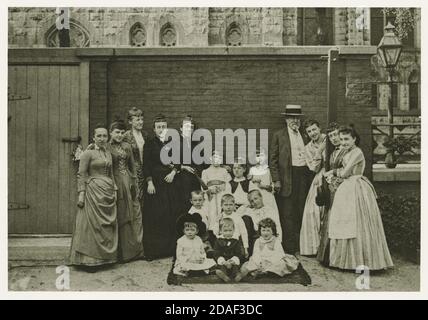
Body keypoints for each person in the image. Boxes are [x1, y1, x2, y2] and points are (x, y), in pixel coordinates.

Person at [324, 125, 394, 270]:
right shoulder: (345, 151)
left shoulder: (357, 152)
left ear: (354, 139)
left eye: (347, 139)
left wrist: (331, 172)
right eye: (342, 139)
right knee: (345, 222)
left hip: (357, 187)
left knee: (359, 223)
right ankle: (348, 260)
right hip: (346, 188)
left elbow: (345, 173)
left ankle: (365, 260)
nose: (343, 142)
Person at [69, 124, 118, 271]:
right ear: (93, 138)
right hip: (93, 193)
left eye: (104, 136)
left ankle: (105, 258)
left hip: (107, 192)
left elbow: (111, 173)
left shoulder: (108, 153)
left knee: (106, 226)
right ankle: (89, 260)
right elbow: (81, 174)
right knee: (93, 226)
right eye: (99, 136)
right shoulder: (87, 154)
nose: (102, 139)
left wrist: (114, 188)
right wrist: (82, 194)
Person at [270, 105, 312, 254]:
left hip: (303, 176)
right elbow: (273, 160)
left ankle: (302, 245)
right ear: (286, 119)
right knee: (287, 212)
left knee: (301, 209)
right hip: (287, 177)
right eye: (291, 118)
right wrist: (276, 180)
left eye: (297, 118)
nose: (295, 120)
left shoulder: (305, 135)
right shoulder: (279, 135)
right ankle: (289, 247)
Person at [143, 114, 181, 260]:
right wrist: (149, 182)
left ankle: (169, 249)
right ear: (154, 129)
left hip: (170, 182)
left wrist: (173, 172)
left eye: (164, 127)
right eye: (158, 127)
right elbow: (146, 164)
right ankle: (154, 251)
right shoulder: (150, 144)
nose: (161, 129)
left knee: (169, 214)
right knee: (155, 215)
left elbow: (177, 161)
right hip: (156, 184)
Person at [109, 120, 144, 262]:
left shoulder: (127, 146)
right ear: (111, 132)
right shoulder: (106, 146)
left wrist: (135, 184)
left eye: (122, 132)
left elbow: (133, 168)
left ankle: (133, 251)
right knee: (120, 215)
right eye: (117, 132)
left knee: (133, 214)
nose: (120, 135)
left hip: (128, 182)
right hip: (115, 182)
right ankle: (118, 253)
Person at [316, 122, 348, 264]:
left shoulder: (347, 150)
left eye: (335, 135)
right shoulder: (334, 152)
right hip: (333, 189)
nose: (334, 138)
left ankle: (342, 257)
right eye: (330, 136)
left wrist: (334, 176)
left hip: (344, 189)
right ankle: (329, 256)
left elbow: (348, 171)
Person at [299, 120, 326, 256]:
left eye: (314, 129)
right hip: (320, 176)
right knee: (312, 212)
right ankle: (316, 247)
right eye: (309, 131)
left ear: (319, 128)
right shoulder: (308, 148)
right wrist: (320, 151)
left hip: (336, 174)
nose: (312, 133)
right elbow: (313, 168)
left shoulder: (329, 138)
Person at [177, 115, 203, 214]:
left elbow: (205, 161)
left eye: (191, 127)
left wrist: (222, 165)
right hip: (180, 181)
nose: (189, 129)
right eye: (187, 127)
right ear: (181, 128)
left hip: (194, 181)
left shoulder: (197, 144)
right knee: (182, 206)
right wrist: (183, 167)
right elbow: (168, 162)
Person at [201, 150, 232, 231]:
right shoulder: (205, 172)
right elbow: (203, 187)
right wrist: (209, 190)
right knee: (212, 213)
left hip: (222, 194)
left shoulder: (224, 171)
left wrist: (223, 187)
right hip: (210, 197)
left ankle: (223, 230)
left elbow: (229, 184)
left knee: (222, 211)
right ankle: (212, 231)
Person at [123, 107, 148, 204]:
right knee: (134, 199)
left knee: (144, 199)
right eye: (137, 120)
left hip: (144, 172)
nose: (141, 122)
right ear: (130, 121)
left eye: (142, 119)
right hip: (132, 172)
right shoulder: (126, 136)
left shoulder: (145, 135)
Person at [248, 149, 279, 218]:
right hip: (256, 198)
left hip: (267, 197)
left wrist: (265, 186)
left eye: (262, 156)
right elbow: (250, 187)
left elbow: (273, 188)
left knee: (270, 216)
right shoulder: (252, 170)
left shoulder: (268, 170)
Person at [213, 217, 245, 283]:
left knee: (235, 267)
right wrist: (223, 261)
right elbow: (216, 253)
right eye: (225, 231)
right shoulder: (218, 241)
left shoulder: (236, 241)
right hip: (224, 261)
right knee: (222, 268)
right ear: (221, 231)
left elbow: (239, 253)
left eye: (230, 230)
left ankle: (237, 275)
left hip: (232, 260)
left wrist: (233, 260)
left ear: (234, 230)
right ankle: (223, 276)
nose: (228, 233)